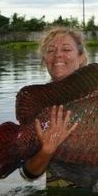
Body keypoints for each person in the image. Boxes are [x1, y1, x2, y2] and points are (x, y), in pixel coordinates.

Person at [19, 27, 88, 187]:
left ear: (81, 57)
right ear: (45, 59)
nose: (57, 54)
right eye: (51, 50)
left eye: (66, 49)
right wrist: (46, 151)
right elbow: (27, 174)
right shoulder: (37, 103)